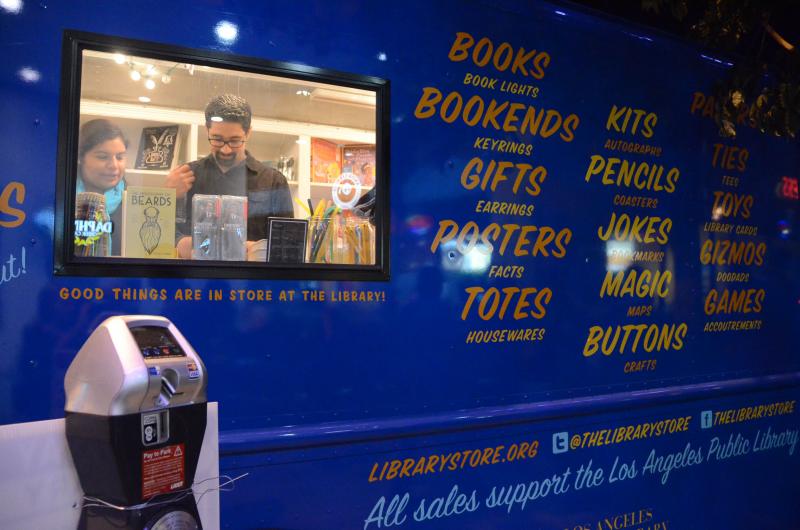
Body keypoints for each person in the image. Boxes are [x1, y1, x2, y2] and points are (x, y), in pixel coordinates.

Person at [166, 94, 293, 259]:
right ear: (207, 129)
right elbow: (162, 235)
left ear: (248, 133)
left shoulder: (273, 181)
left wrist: (256, 250)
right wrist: (166, 196)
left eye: (234, 141)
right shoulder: (185, 175)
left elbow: (288, 244)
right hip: (196, 283)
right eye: (217, 139)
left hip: (253, 283)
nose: (225, 150)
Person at [76, 119, 128, 255]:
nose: (114, 166)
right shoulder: (62, 198)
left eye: (120, 157)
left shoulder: (135, 203)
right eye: (103, 157)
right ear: (81, 157)